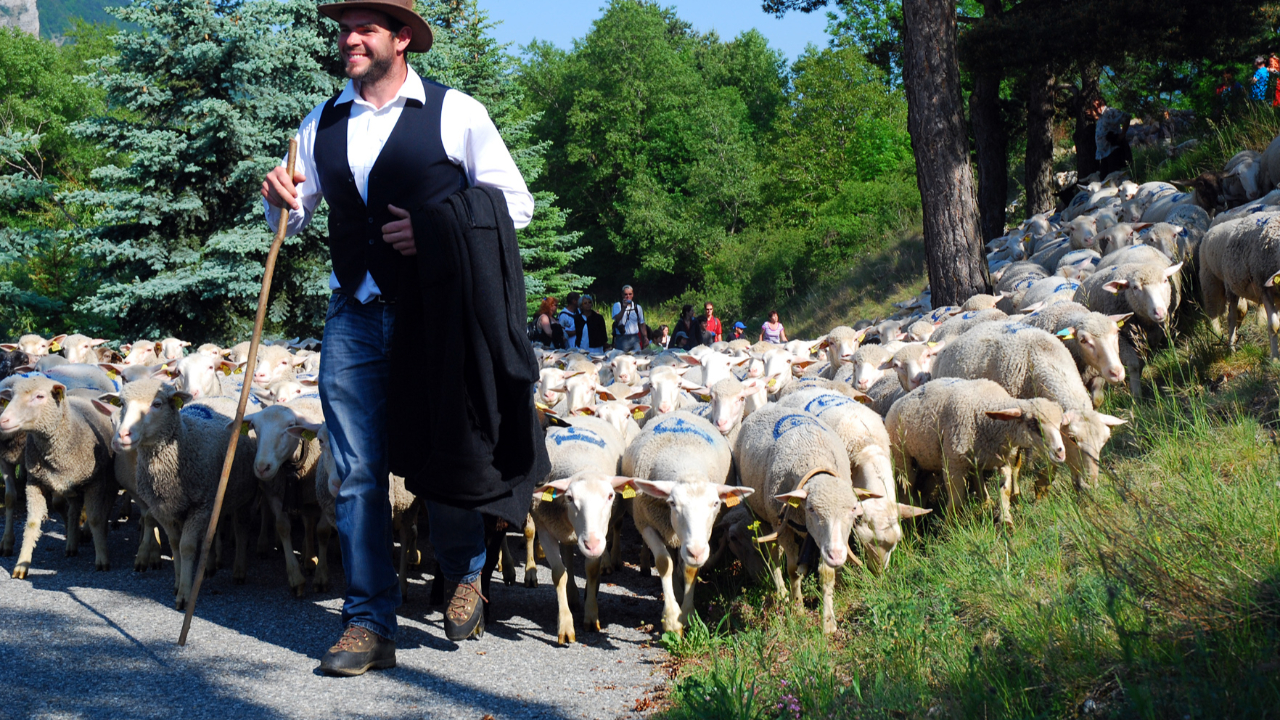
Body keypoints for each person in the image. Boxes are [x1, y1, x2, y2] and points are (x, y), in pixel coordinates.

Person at [260, 0, 534, 675]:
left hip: (435, 313)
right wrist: (276, 198)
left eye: (365, 28)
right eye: (344, 28)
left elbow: (513, 204)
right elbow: (292, 220)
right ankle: (367, 624)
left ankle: (467, 570)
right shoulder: (323, 121)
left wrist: (439, 226)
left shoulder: (455, 112)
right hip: (353, 314)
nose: (350, 38)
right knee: (355, 472)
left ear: (401, 39)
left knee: (444, 456)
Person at [1091, 99, 1131, 177]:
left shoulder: (1110, 112)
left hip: (1112, 151)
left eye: (1096, 105)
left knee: (1113, 178)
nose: (1094, 108)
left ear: (1101, 104)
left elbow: (1126, 117)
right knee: (1104, 178)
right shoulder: (1101, 116)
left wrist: (1122, 134)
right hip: (1103, 153)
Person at [611, 285, 647, 352]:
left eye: (630, 294)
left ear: (633, 295)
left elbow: (642, 324)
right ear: (622, 295)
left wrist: (645, 337)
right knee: (622, 358)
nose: (628, 296)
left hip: (635, 337)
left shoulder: (637, 307)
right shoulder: (617, 305)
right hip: (622, 338)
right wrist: (623, 308)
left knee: (637, 358)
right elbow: (617, 319)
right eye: (626, 294)